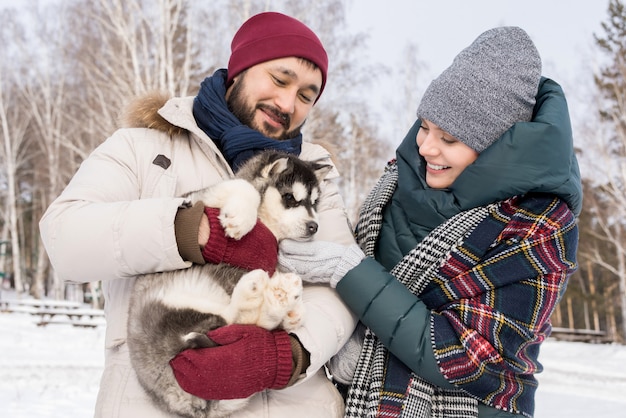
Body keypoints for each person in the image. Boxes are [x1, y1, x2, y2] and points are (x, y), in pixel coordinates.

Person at [39, 11, 357, 418]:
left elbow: (343, 284)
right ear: (240, 70)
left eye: (307, 96)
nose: (287, 103)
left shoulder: (313, 176)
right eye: (280, 80)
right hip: (158, 390)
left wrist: (289, 354)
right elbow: (65, 237)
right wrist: (192, 229)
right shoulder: (143, 148)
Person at [278, 26, 582, 418]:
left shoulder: (539, 225)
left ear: (496, 146)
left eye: (449, 139)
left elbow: (464, 357)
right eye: (424, 126)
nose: (425, 147)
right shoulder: (397, 180)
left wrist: (348, 270)